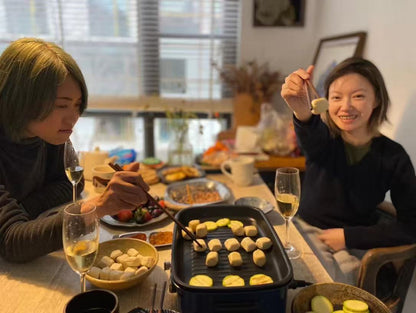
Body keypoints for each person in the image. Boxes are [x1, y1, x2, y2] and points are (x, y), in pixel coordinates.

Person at [0, 37, 149, 263]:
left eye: (77, 105)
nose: (73, 118)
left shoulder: (48, 133)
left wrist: (23, 208)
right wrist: (97, 206)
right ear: (20, 98)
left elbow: (72, 182)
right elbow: (12, 243)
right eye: (61, 105)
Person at [281, 57, 416, 285]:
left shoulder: (394, 157)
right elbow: (309, 134)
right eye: (336, 97)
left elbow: (411, 225)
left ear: (376, 100)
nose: (346, 106)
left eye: (358, 96)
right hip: (303, 229)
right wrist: (302, 112)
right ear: (326, 102)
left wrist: (347, 237)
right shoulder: (325, 140)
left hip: (352, 243)